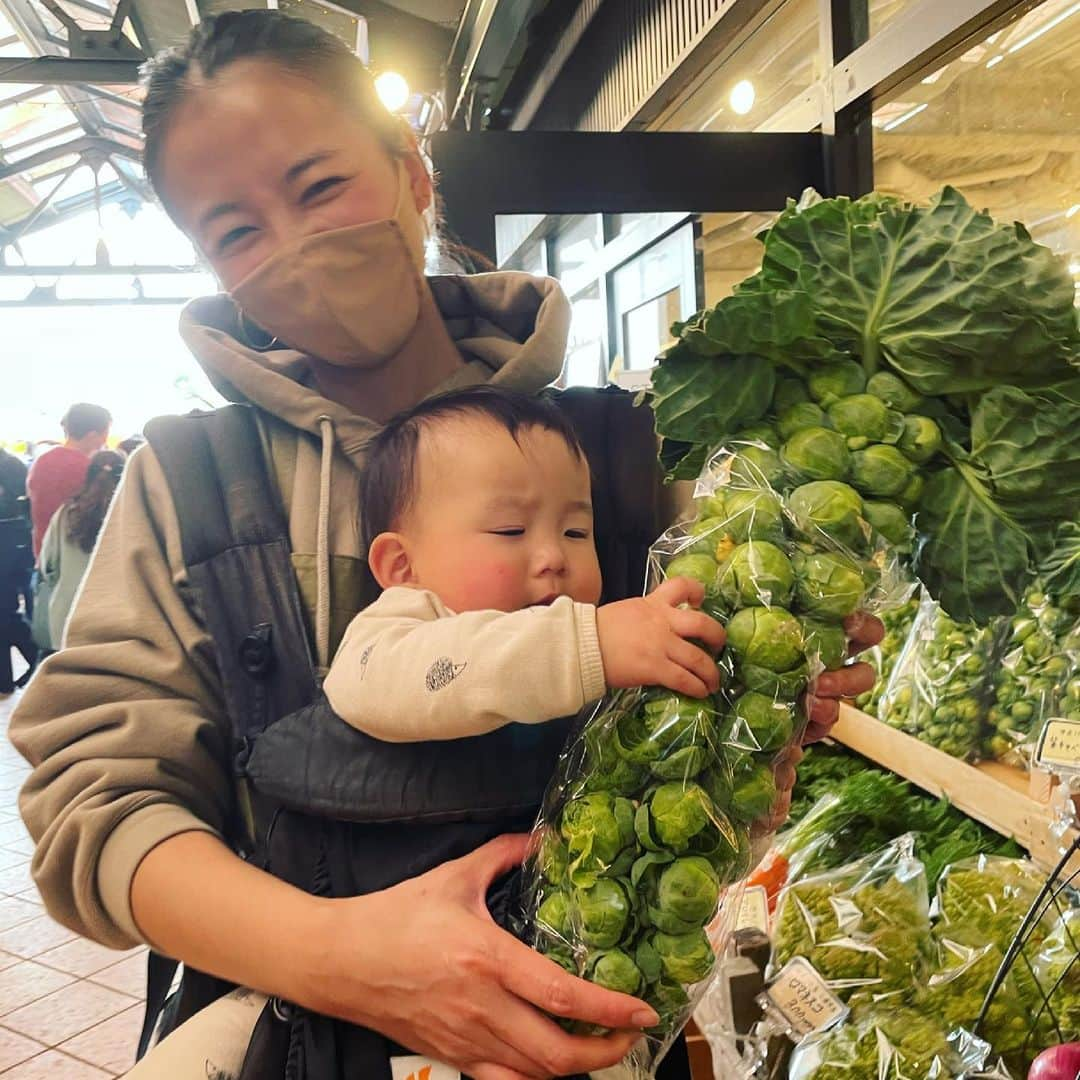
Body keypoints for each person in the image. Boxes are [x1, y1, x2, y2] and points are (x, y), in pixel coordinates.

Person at [9, 11, 881, 1080]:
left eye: (320, 186)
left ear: (412, 173)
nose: (293, 244)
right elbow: (96, 803)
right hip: (299, 1039)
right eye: (235, 230)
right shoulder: (188, 480)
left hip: (597, 1026)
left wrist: (782, 685)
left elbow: (732, 715)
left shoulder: (627, 446)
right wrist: (343, 959)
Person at [36, 451, 125, 652]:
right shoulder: (129, 515)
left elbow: (48, 564)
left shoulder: (66, 513)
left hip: (68, 614)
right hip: (116, 617)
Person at [26, 402, 112, 559]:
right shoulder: (88, 468)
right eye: (105, 434)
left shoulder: (40, 462)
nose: (104, 442)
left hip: (44, 555)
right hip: (72, 559)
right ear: (92, 435)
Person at [0, 446, 35, 694]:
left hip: (8, 542)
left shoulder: (10, 465)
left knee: (6, 613)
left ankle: (37, 665)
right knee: (7, 614)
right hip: (14, 542)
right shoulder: (13, 464)